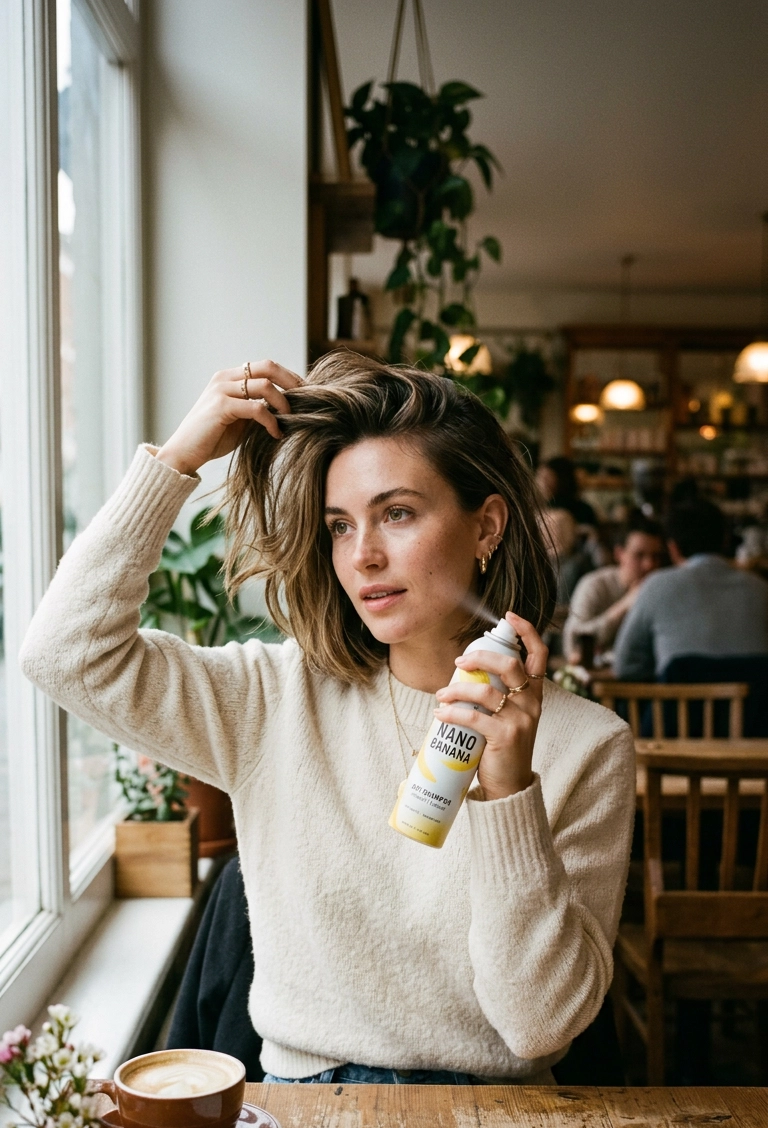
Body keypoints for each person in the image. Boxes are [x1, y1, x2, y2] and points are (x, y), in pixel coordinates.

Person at [21, 354, 635, 1086]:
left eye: (397, 513)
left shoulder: (590, 746)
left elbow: (538, 1026)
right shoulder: (270, 699)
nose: (364, 556)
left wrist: (508, 795)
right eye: (340, 526)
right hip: (308, 1118)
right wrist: (178, 459)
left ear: (487, 527)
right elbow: (64, 654)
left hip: (499, 1126)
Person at [614, 499, 768, 681]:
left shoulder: (656, 586)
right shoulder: (761, 589)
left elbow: (625, 667)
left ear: (673, 549)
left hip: (677, 708)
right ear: (725, 541)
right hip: (752, 709)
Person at [563, 516, 665, 662]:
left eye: (656, 557)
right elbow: (572, 643)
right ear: (619, 554)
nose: (649, 565)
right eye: (639, 555)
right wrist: (624, 605)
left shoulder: (662, 589)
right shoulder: (595, 585)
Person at [535, 456, 598, 529]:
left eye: (546, 477)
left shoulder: (583, 510)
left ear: (562, 479)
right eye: (539, 476)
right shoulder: (539, 506)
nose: (540, 482)